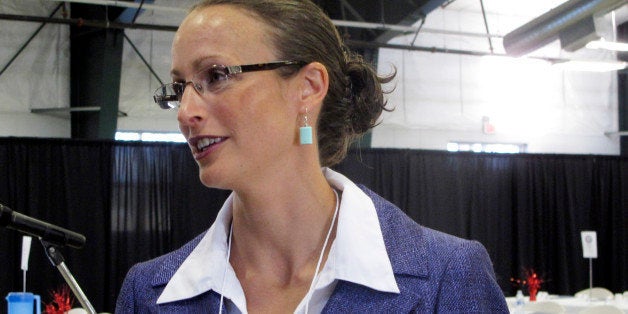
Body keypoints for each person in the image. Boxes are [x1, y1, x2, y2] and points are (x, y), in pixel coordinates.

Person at [115, 0, 509, 313]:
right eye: (179, 88)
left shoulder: (448, 278)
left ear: (307, 87)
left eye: (216, 76)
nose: (185, 112)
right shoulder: (148, 294)